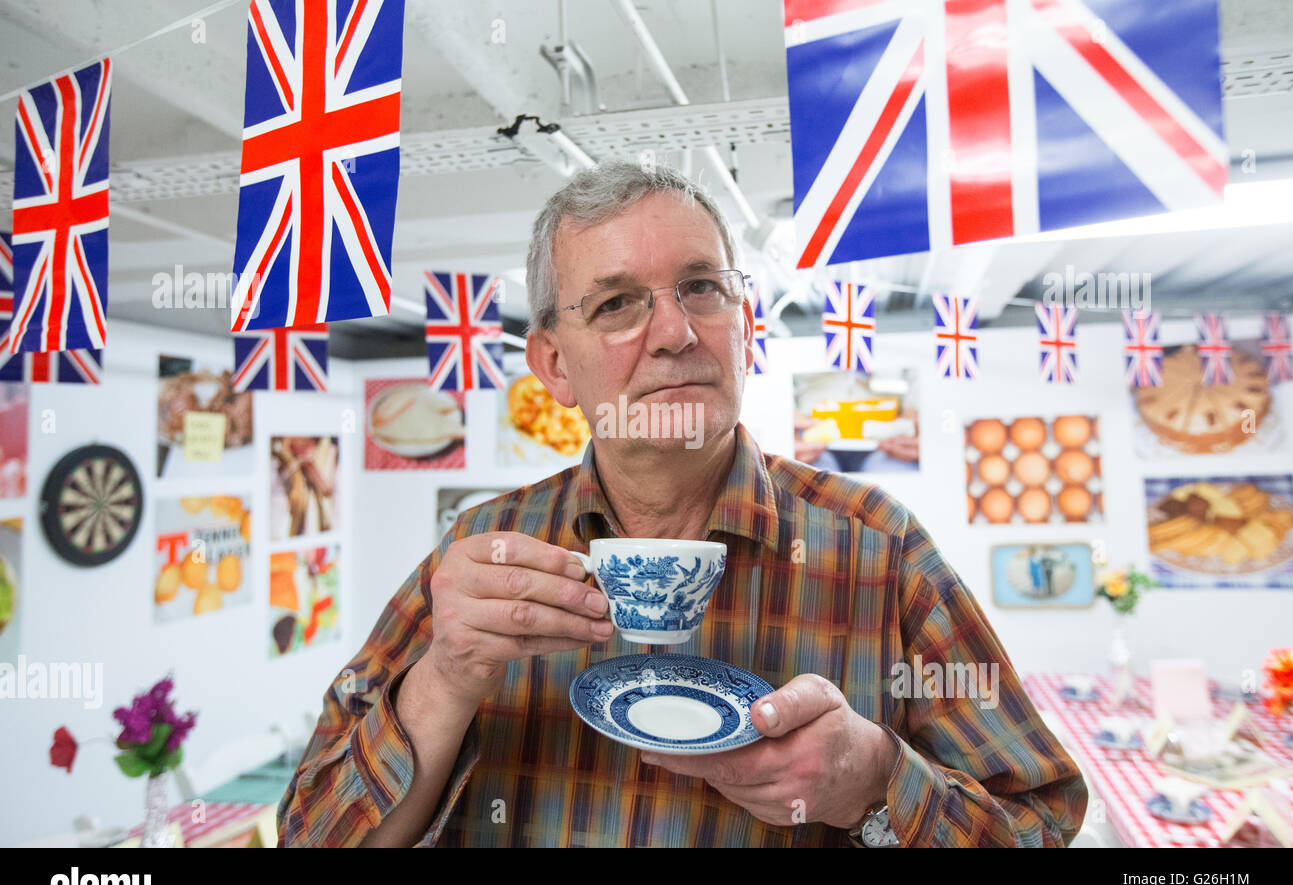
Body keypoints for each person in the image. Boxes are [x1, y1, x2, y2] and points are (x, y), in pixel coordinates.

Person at [278, 160, 1088, 847]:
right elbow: (309, 831)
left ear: (741, 324)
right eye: (618, 303)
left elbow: (1042, 823)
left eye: (701, 287)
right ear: (555, 365)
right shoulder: (486, 548)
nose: (675, 331)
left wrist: (877, 780)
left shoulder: (877, 547)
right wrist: (445, 680)